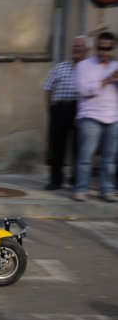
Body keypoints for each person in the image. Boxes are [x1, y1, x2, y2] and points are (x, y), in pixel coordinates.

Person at [72, 31, 118, 203]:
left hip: (113, 117)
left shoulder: (116, 66)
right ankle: (80, 188)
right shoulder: (84, 65)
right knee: (85, 157)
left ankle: (107, 189)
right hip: (90, 116)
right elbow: (83, 90)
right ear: (96, 47)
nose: (104, 52)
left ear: (113, 49)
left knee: (109, 158)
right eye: (100, 48)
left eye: (108, 48)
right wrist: (107, 80)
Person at [43, 36, 90, 190]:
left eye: (80, 46)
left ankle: (76, 179)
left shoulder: (90, 68)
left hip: (80, 109)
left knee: (78, 147)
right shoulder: (60, 66)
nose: (76, 49)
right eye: (74, 46)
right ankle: (55, 180)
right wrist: (51, 108)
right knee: (56, 147)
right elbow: (48, 88)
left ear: (87, 50)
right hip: (60, 109)